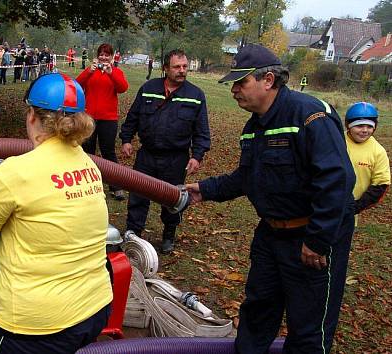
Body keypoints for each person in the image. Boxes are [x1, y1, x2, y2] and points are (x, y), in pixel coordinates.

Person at [185, 44, 355, 353]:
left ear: (268, 80)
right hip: (271, 236)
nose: (234, 90)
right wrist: (206, 190)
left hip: (309, 242)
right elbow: (248, 177)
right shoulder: (254, 127)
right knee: (257, 313)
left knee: (307, 330)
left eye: (241, 82)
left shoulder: (310, 115)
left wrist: (317, 240)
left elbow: (337, 180)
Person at [0, 73, 112, 354]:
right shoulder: (88, 164)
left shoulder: (14, 172)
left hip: (35, 326)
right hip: (95, 307)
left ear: (32, 115)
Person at [119, 49, 210, 254]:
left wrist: (197, 156)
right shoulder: (148, 89)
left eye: (185, 67)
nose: (182, 71)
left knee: (173, 199)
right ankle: (133, 233)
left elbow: (202, 130)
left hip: (175, 158)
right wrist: (126, 139)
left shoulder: (195, 96)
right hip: (147, 155)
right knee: (138, 195)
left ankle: (169, 233)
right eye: (177, 67)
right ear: (166, 68)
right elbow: (132, 117)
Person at [76, 43, 129, 201]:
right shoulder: (90, 71)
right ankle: (87, 185)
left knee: (108, 152)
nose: (103, 57)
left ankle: (115, 186)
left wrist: (111, 73)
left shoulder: (116, 72)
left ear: (112, 57)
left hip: (108, 119)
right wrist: (89, 71)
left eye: (107, 55)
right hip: (89, 117)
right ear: (97, 55)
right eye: (101, 54)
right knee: (87, 151)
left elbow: (123, 88)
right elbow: (77, 85)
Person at [344, 102, 390, 214]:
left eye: (370, 126)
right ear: (348, 126)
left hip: (350, 209)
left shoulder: (378, 152)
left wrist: (356, 207)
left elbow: (381, 184)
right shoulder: (336, 141)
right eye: (359, 125)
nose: (365, 130)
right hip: (324, 204)